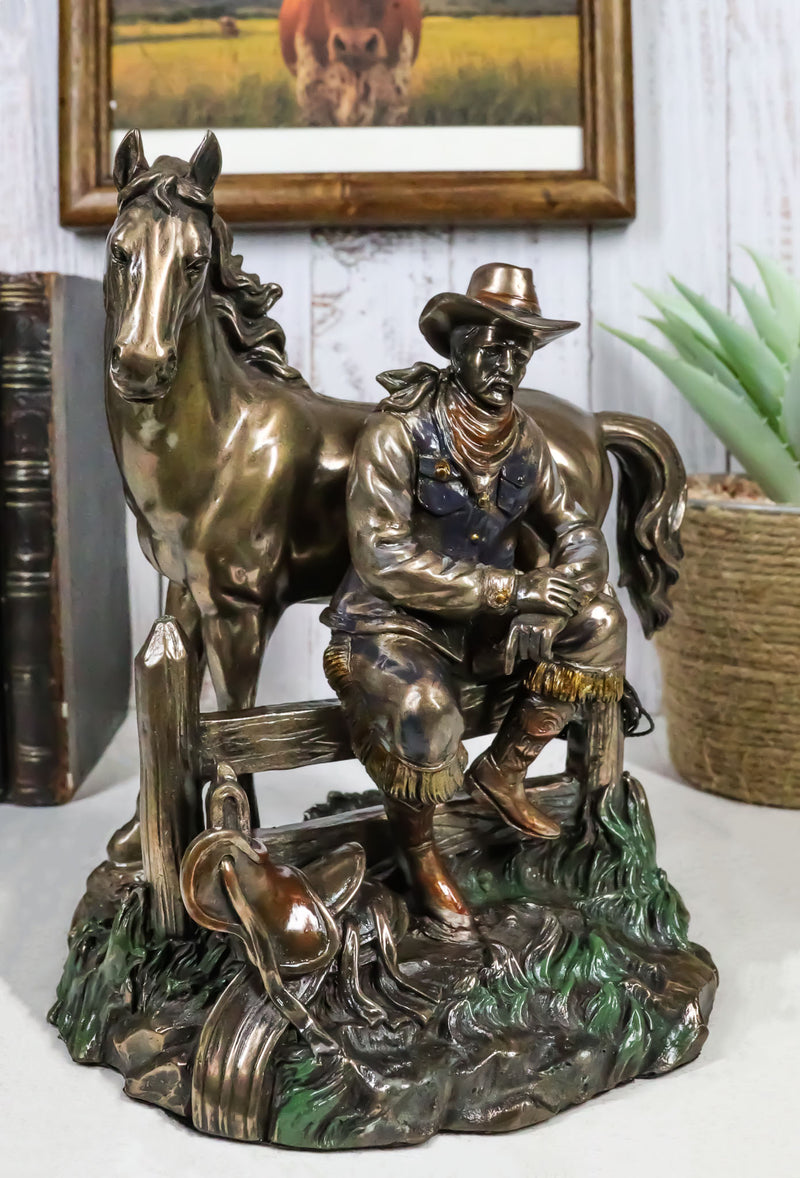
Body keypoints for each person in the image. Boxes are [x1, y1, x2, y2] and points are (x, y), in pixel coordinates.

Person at [322, 264, 626, 933]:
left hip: (487, 632)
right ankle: (418, 850)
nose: (507, 363)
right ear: (458, 346)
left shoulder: (525, 439)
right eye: (494, 346)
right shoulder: (399, 429)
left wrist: (550, 601)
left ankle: (506, 769)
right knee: (425, 710)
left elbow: (576, 530)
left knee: (601, 619)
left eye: (521, 351)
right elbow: (382, 557)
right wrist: (514, 589)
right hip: (393, 628)